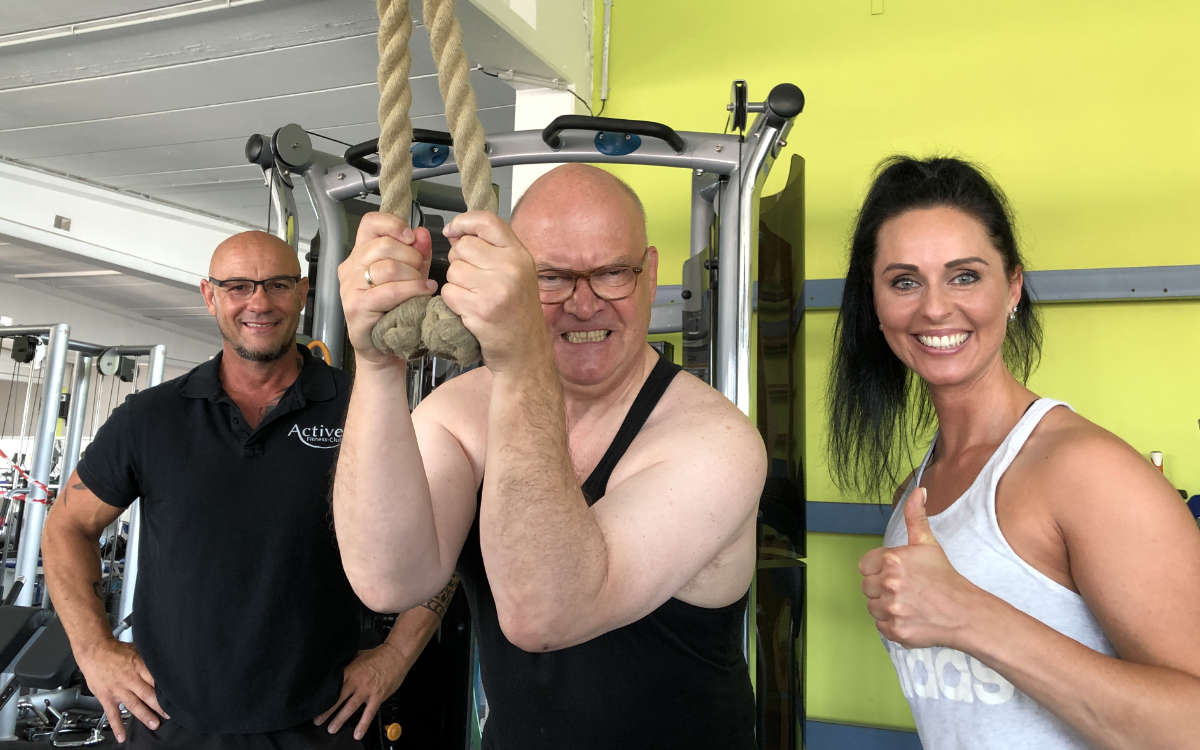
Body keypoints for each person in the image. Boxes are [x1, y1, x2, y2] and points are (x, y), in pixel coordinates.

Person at [333, 164, 766, 749]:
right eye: (552, 278)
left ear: (650, 273)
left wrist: (521, 363)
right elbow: (389, 580)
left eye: (613, 273)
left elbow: (546, 617)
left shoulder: (715, 441)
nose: (585, 305)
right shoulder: (461, 410)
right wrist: (378, 364)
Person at [827, 156, 1200, 748]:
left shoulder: (1086, 472)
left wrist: (967, 614)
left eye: (965, 275)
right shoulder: (916, 492)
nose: (934, 308)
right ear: (875, 305)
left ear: (1013, 289)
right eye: (904, 281)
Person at [42, 230, 454, 748]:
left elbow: (445, 535)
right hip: (170, 722)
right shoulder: (150, 418)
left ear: (303, 293)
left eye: (277, 284)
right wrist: (92, 648)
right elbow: (67, 526)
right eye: (238, 286)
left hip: (326, 722)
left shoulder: (364, 409)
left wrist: (396, 657)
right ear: (209, 296)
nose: (258, 302)